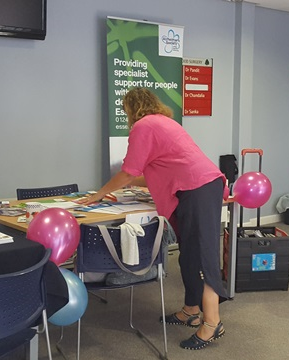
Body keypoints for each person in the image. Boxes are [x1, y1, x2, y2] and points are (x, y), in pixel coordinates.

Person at [79, 87, 229, 350]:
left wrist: (101, 193)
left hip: (198, 188)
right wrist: (119, 187)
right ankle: (191, 310)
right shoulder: (162, 123)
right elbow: (147, 173)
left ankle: (212, 323)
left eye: (125, 110)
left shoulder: (143, 126)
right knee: (189, 254)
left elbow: (128, 172)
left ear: (131, 108)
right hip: (198, 187)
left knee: (202, 255)